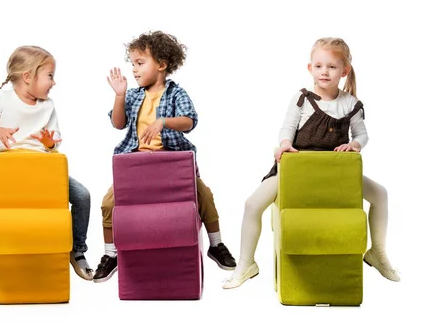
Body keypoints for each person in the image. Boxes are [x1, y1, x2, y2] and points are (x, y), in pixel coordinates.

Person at [223, 37, 400, 289]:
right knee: (252, 204)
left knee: (380, 194)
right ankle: (246, 263)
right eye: (318, 66)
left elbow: (362, 134)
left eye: (331, 66)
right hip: (297, 171)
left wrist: (355, 145)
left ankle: (378, 253)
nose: (324, 72)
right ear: (310, 69)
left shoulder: (351, 104)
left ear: (344, 71)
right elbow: (287, 127)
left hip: (335, 174)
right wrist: (285, 143)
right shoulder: (302, 98)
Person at [93, 31, 237, 283]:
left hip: (172, 162)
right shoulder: (134, 95)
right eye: (132, 63)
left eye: (140, 63)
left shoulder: (176, 94)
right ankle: (110, 253)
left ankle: (216, 244)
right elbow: (118, 123)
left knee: (204, 195)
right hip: (136, 163)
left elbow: (189, 121)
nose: (134, 69)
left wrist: (163, 121)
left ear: (161, 65)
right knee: (108, 203)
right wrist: (119, 95)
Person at [0, 46, 93, 292]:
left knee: (82, 196)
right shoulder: (3, 99)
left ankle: (77, 250)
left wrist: (50, 142)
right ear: (28, 76)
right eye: (49, 75)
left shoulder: (48, 105)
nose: (53, 82)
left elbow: (56, 137)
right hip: (3, 170)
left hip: (41, 169)